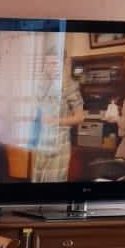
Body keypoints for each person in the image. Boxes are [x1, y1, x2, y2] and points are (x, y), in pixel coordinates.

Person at [30, 50, 84, 184]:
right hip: (43, 141)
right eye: (48, 64)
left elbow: (80, 117)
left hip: (60, 142)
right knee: (37, 180)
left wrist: (57, 121)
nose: (51, 67)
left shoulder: (70, 86)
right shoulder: (42, 85)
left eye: (55, 63)